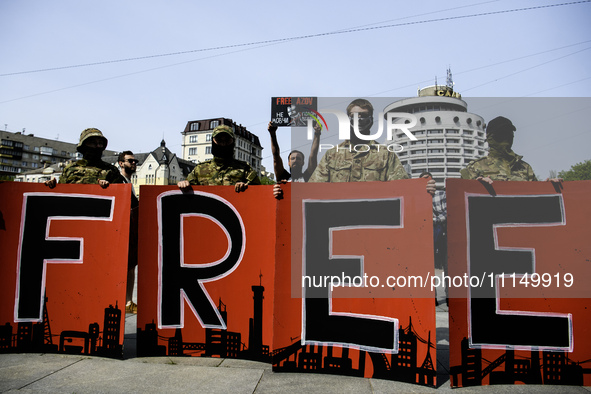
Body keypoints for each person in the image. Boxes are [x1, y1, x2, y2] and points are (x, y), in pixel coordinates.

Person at [178, 125, 261, 192]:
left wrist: (247, 188)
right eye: (219, 140)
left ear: (233, 142)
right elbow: (186, 190)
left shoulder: (245, 169)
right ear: (213, 141)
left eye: (227, 140)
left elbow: (260, 193)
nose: (223, 144)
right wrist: (183, 184)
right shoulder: (199, 169)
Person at [460, 116, 537, 183]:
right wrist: (477, 185)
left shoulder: (525, 168)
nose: (506, 137)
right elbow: (460, 194)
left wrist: (548, 187)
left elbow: (538, 194)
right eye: (501, 134)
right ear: (490, 138)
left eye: (509, 133)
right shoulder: (474, 167)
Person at [45, 128, 125, 188]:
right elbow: (61, 194)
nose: (97, 146)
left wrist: (108, 187)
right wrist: (51, 186)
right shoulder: (70, 169)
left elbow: (119, 197)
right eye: (93, 143)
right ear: (83, 146)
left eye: (100, 143)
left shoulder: (111, 170)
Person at [420, 171, 447, 305]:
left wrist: (434, 220)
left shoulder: (441, 194)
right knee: (427, 268)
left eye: (429, 179)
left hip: (442, 234)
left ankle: (449, 297)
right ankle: (433, 297)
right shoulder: (418, 196)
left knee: (447, 267)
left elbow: (448, 211)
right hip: (425, 236)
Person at [118, 151, 139, 314]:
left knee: (130, 266)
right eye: (130, 161)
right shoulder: (118, 181)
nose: (134, 163)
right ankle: (125, 300)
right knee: (126, 267)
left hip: (129, 229)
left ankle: (128, 301)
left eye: (135, 161)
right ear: (120, 163)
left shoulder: (128, 183)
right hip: (121, 230)